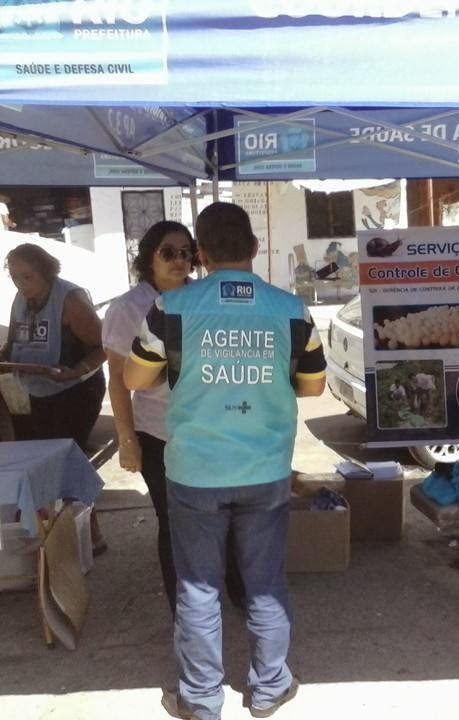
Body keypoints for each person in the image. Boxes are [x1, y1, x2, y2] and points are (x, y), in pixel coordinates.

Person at [124, 202, 326, 720]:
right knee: (265, 583)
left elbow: (135, 379)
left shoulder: (171, 308)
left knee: (197, 589)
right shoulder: (292, 310)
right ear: (255, 248)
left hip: (195, 472)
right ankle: (269, 687)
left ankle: (199, 699)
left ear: (201, 253)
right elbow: (313, 386)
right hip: (265, 468)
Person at [102, 221, 244, 615]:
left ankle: (238, 592)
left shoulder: (205, 298)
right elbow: (118, 382)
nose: (179, 260)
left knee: (228, 516)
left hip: (213, 432)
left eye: (186, 252)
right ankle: (185, 609)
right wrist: (127, 440)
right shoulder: (128, 308)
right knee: (175, 523)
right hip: (159, 435)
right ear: (149, 258)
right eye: (168, 252)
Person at [1, 243, 108, 552]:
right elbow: (13, 345)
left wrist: (76, 371)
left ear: (46, 273)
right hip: (39, 390)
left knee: (67, 460)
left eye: (28, 277)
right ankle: (68, 534)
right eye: (15, 278)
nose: (22, 285)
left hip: (77, 391)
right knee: (48, 462)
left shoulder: (70, 301)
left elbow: (104, 346)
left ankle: (90, 533)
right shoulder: (22, 299)